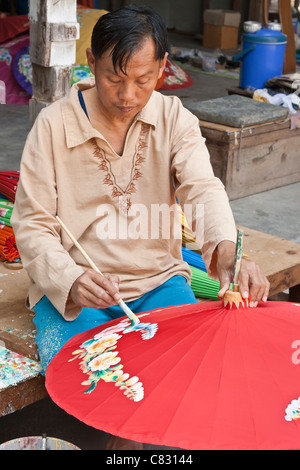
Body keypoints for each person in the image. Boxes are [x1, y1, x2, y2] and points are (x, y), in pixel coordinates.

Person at [11, 6, 269, 450]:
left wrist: (226, 248)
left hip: (158, 282)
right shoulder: (53, 126)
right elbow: (32, 225)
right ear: (90, 61)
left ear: (163, 68)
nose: (128, 94)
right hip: (79, 295)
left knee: (194, 384)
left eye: (144, 79)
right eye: (114, 78)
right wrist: (70, 280)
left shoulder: (174, 119)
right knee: (99, 395)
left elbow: (202, 188)